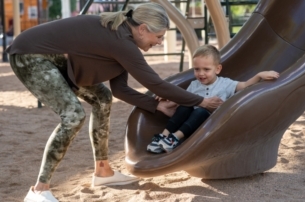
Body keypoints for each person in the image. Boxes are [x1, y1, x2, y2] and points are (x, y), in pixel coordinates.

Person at [6, 3, 223, 202]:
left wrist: (155, 105)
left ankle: (103, 171)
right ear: (142, 29)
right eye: (158, 37)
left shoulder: (123, 38)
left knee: (103, 98)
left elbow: (120, 90)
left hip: (59, 58)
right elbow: (155, 84)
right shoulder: (122, 42)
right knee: (73, 116)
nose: (158, 42)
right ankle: (38, 190)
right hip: (31, 54)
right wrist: (202, 101)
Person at [147, 44, 280, 153]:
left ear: (217, 69)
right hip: (190, 121)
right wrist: (169, 97)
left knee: (200, 111)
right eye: (197, 69)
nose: (201, 73)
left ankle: (175, 138)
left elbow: (245, 85)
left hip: (209, 124)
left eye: (206, 69)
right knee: (184, 107)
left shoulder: (225, 83)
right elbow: (183, 98)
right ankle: (164, 136)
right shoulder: (194, 84)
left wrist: (259, 75)